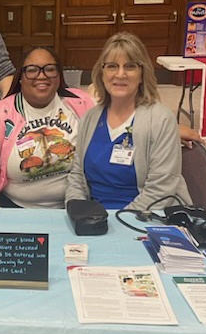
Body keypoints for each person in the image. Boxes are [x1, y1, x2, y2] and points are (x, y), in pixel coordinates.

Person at [66, 32, 191, 210]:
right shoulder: (90, 117)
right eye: (112, 66)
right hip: (93, 219)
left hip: (143, 217)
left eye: (130, 66)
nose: (120, 74)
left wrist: (119, 222)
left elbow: (160, 191)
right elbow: (77, 176)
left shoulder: (160, 119)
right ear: (102, 73)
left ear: (142, 73)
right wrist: (78, 210)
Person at [0, 47, 94, 208]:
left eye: (49, 69)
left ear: (59, 76)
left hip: (76, 206)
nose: (41, 76)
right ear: (20, 77)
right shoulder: (1, 115)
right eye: (32, 70)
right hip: (16, 210)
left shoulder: (81, 104)